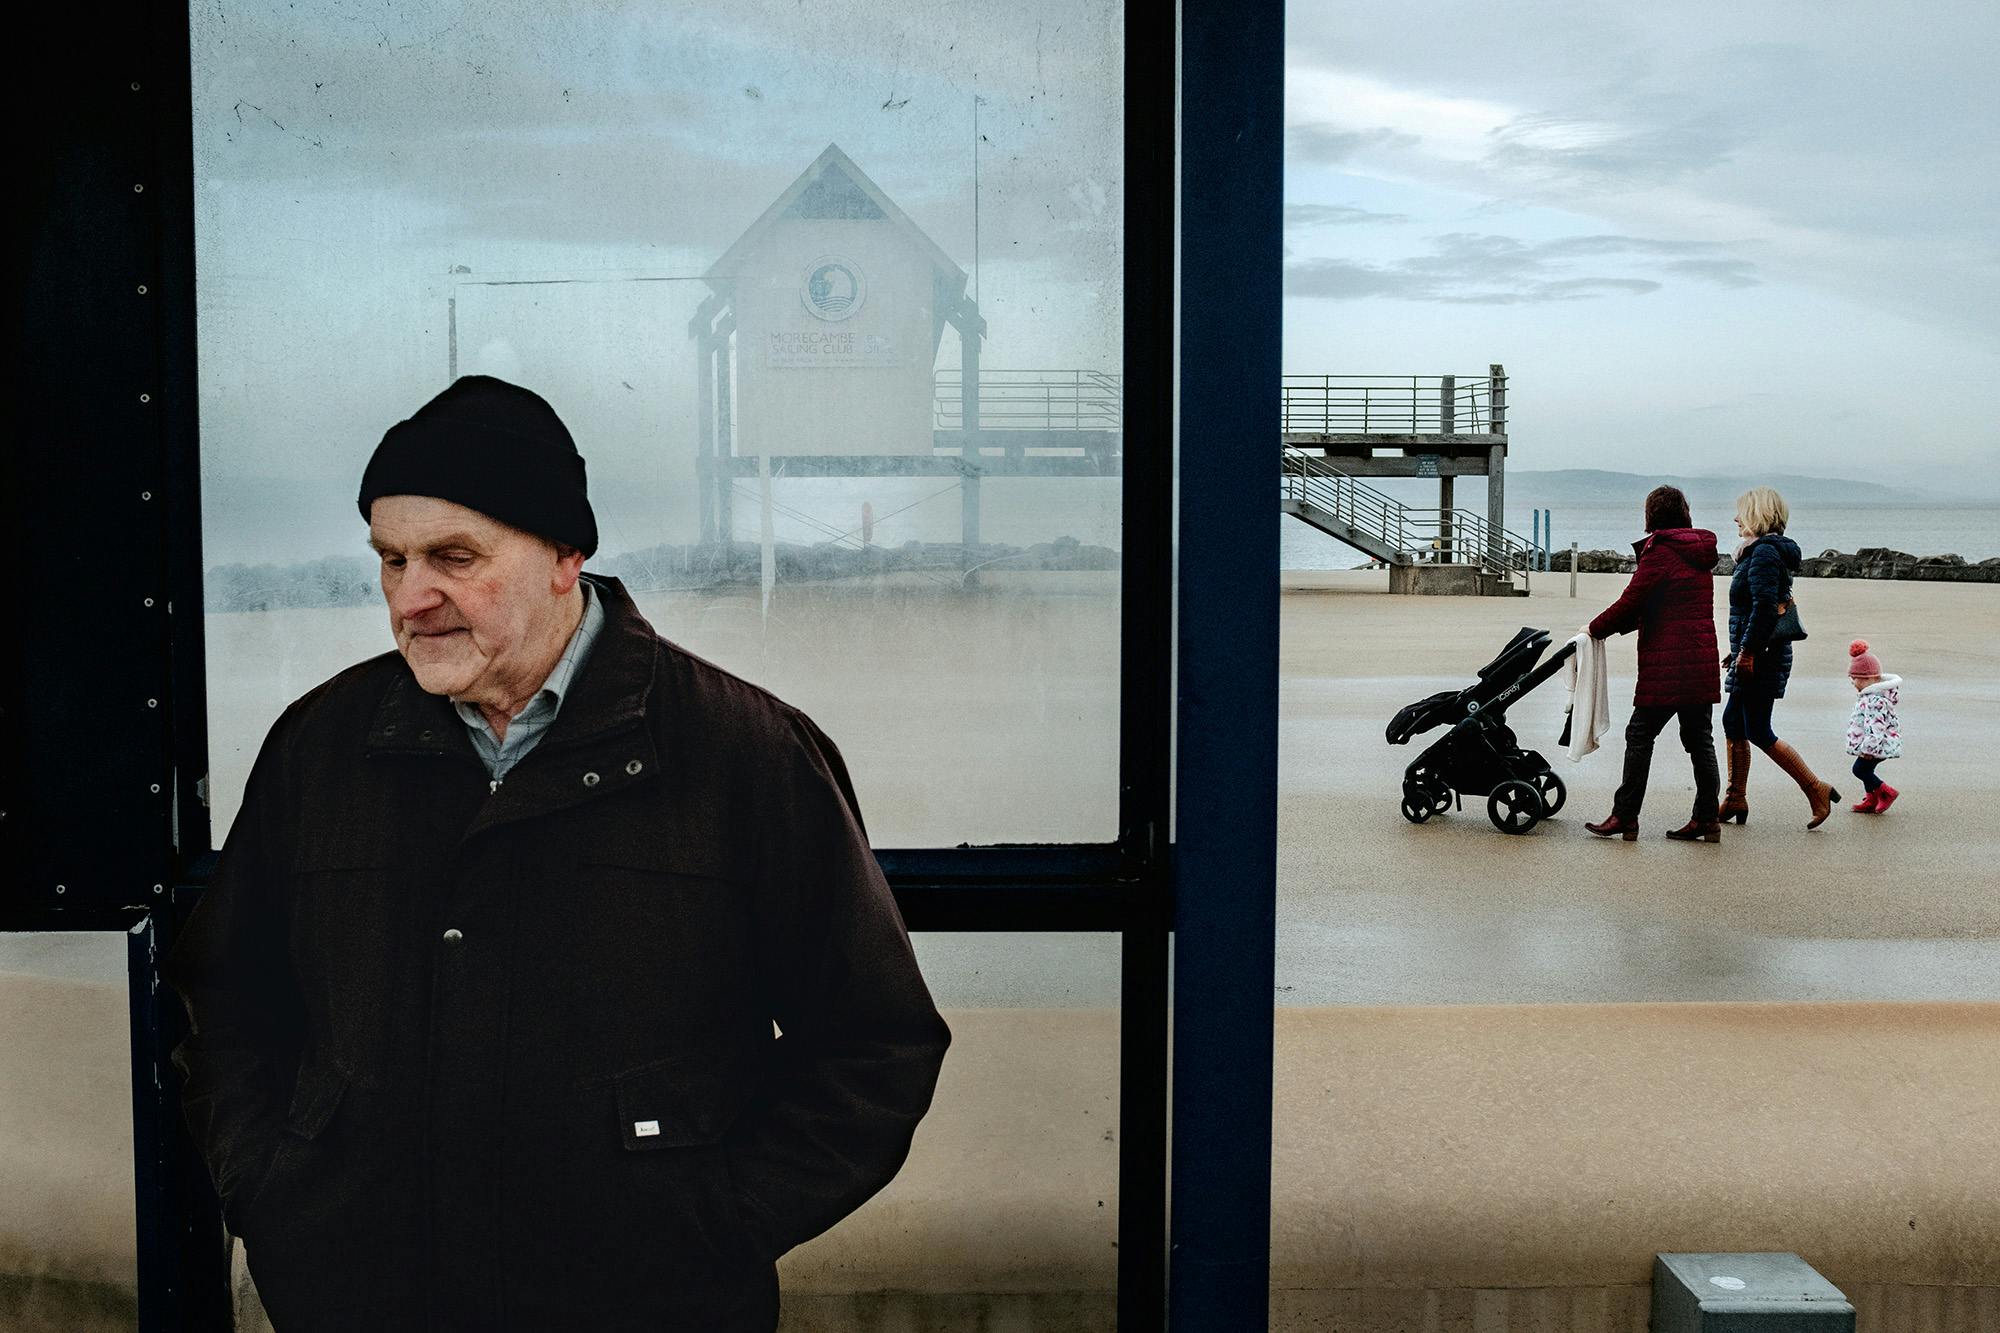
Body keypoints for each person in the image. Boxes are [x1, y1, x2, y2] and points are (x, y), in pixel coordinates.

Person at [163, 376, 951, 1332]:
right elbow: (228, 1001)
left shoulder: (742, 753)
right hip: (362, 1301)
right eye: (391, 559)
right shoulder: (321, 745)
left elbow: (874, 1043)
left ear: (565, 556)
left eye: (455, 557)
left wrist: (713, 1222)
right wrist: (277, 1191)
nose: (412, 597)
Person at [1582, 486, 1722, 842]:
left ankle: (1625, 816)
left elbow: (1633, 600)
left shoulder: (1661, 551)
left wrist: (1593, 630)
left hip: (1668, 664)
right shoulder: (1700, 552)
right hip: (1699, 659)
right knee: (1700, 740)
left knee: (1640, 736)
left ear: (1652, 515)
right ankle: (1707, 819)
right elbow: (1659, 602)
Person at [1720, 485, 1840, 828]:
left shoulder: (1764, 554)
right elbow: (1757, 610)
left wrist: (1747, 652)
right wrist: (1737, 650)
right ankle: (1735, 797)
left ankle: (1815, 788)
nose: (1736, 519)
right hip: (1756, 651)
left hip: (1763, 656)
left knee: (1758, 729)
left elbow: (1764, 608)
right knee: (1733, 722)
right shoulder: (1759, 552)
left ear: (1757, 515)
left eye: (1741, 513)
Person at [1843, 638, 1904, 812]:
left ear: (1869, 678)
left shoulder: (1875, 700)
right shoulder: (1870, 696)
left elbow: (1876, 727)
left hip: (1877, 745)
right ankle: (1872, 798)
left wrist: (1869, 749)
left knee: (1859, 769)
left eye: (1855, 678)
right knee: (1864, 770)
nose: (1853, 682)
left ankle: (1886, 792)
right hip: (1875, 744)